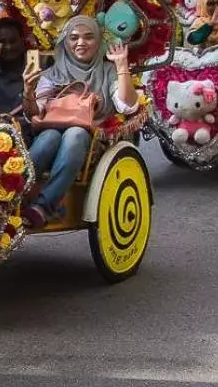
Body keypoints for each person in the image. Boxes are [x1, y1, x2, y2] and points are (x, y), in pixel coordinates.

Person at [26, 15, 137, 228]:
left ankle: (43, 206)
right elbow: (36, 111)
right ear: (65, 42)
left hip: (93, 140)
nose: (80, 43)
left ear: (98, 41)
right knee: (49, 137)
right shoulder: (52, 73)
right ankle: (13, 193)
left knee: (75, 134)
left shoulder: (108, 71)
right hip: (52, 132)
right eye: (74, 38)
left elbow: (127, 106)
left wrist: (121, 66)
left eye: (88, 37)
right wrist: (28, 92)